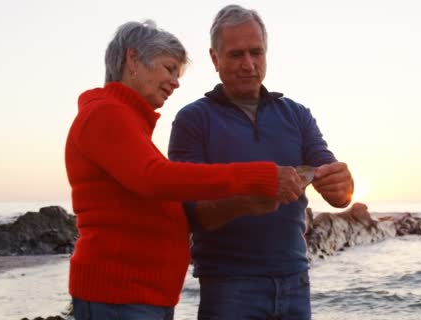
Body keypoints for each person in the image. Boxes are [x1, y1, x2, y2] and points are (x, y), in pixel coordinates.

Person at [64, 20, 303, 320]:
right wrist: (257, 177)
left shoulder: (125, 120)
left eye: (177, 73)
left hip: (139, 295)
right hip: (119, 296)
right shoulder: (104, 113)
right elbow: (155, 177)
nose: (175, 82)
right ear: (133, 59)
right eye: (168, 69)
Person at [168, 5, 354, 319]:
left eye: (257, 52)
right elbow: (189, 215)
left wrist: (344, 184)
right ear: (214, 58)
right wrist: (247, 200)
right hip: (228, 287)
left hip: (295, 279)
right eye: (236, 54)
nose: (249, 64)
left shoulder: (296, 114)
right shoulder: (193, 121)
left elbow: (336, 192)